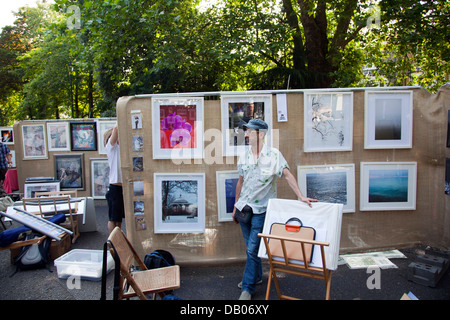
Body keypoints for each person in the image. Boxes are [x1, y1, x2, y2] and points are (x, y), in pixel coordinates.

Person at [232, 119, 318, 300]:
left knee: (251, 250)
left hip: (261, 211)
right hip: (243, 209)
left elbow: (287, 174)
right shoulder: (243, 156)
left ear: (261, 134)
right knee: (251, 249)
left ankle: (247, 288)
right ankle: (255, 277)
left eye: (249, 131)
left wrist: (301, 196)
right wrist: (235, 206)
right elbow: (241, 182)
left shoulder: (274, 155)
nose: (246, 135)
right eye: (245, 131)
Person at [104, 125, 125, 234]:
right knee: (113, 218)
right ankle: (112, 241)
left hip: (122, 187)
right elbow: (117, 128)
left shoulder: (119, 149)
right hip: (115, 188)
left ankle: (118, 240)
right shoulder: (111, 147)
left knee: (118, 218)